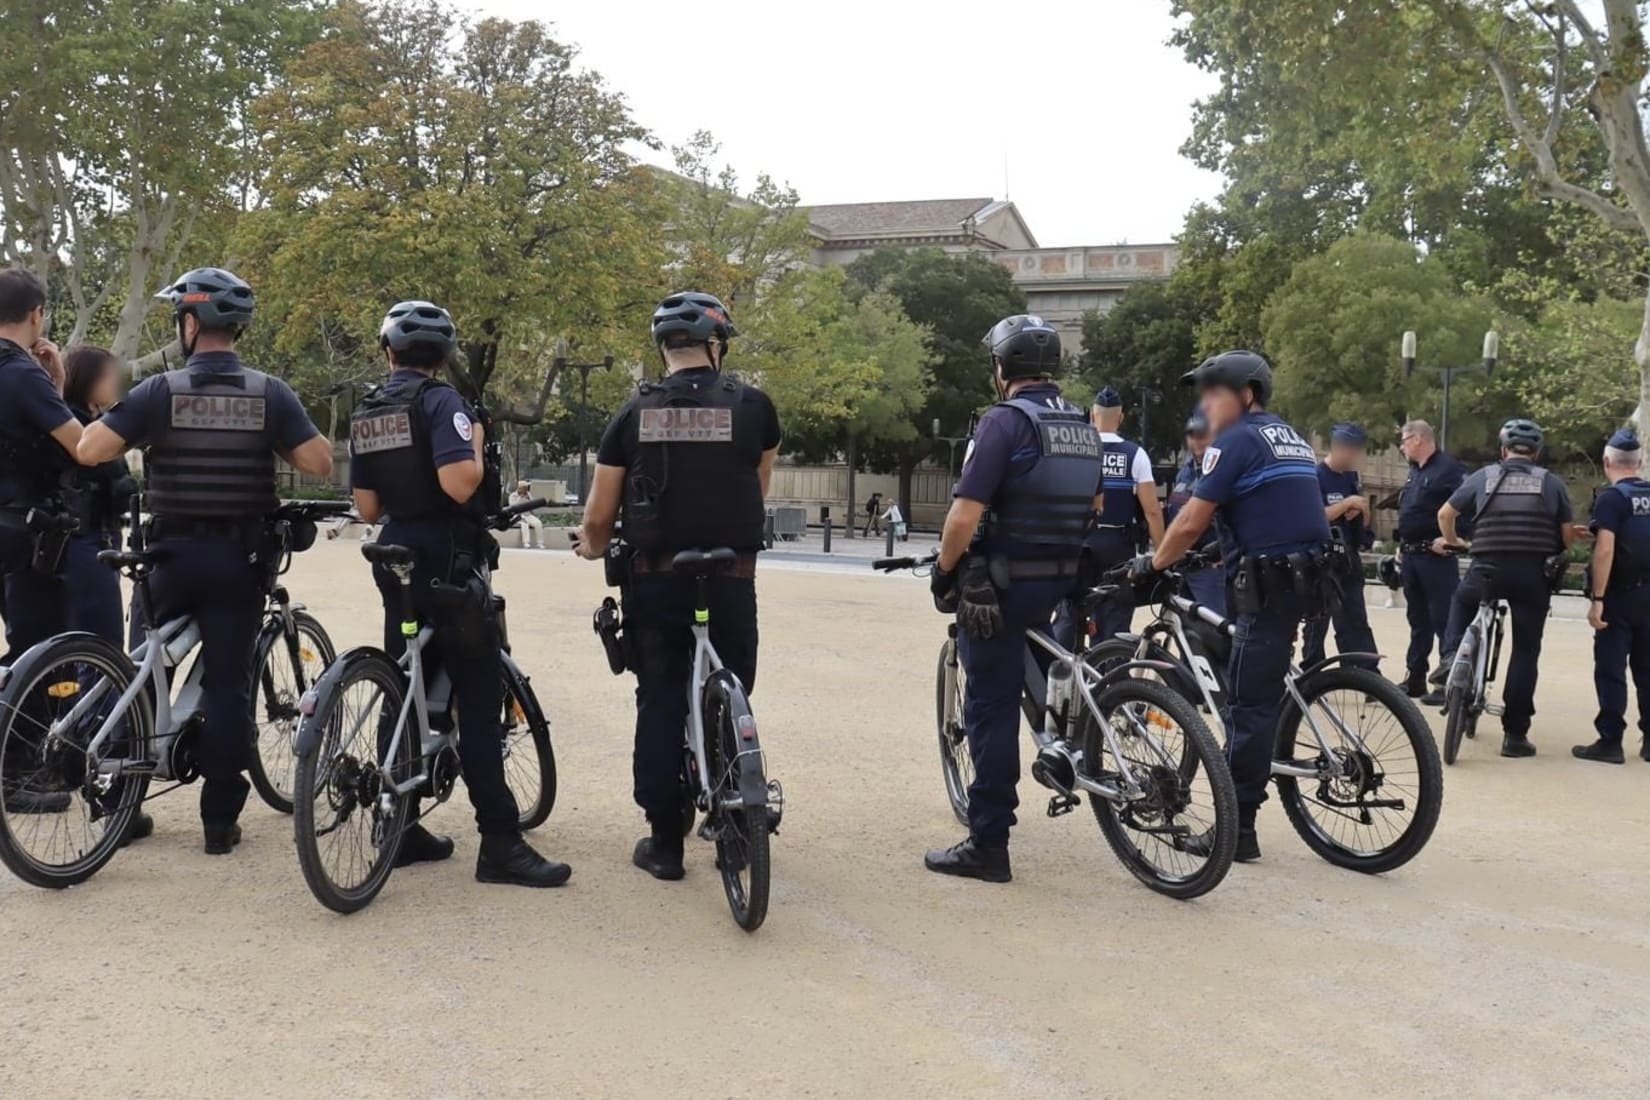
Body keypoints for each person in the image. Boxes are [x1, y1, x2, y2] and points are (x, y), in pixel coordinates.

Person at [79, 267, 334, 855]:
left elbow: (92, 449)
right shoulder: (269, 392)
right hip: (237, 559)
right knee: (228, 685)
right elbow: (321, 462)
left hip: (166, 555)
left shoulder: (159, 392)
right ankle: (219, 821)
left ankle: (122, 802)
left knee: (142, 672)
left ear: (189, 325)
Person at [349, 300, 570, 887]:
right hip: (446, 557)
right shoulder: (444, 404)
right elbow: (459, 482)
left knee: (401, 680)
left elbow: (366, 507)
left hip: (392, 551)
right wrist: (472, 441)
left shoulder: (369, 410)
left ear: (388, 352)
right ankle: (500, 841)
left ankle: (397, 825)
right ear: (443, 357)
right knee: (477, 697)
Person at [573, 291, 781, 882]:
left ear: (664, 348)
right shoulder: (755, 406)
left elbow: (597, 514)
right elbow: (758, 483)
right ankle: (738, 809)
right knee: (733, 685)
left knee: (661, 696)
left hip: (658, 579)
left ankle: (666, 841)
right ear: (716, 347)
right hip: (731, 575)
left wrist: (592, 544)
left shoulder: (632, 413)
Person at [922, 314, 1102, 883]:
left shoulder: (1003, 423)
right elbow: (1094, 506)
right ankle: (1059, 746)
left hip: (1004, 583)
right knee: (1043, 667)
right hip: (1062, 577)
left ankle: (988, 842)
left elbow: (963, 515)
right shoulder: (1081, 424)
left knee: (990, 707)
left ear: (1003, 368)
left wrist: (945, 571)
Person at [1135, 350, 1333, 863]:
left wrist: (1153, 566)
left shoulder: (1234, 442)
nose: (1206, 404)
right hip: (1307, 577)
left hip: (1270, 587)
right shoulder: (1286, 435)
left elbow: (1189, 521)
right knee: (1260, 686)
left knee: (1248, 709)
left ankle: (1238, 829)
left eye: (1214, 392)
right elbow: (1265, 511)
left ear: (1245, 394)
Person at [1433, 418, 1574, 757]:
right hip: (1532, 575)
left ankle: (1452, 656)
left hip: (1487, 568)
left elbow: (1444, 514)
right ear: (1537, 453)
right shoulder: (1552, 484)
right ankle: (1515, 735)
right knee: (1526, 650)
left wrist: (1456, 543)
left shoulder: (1483, 477)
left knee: (1462, 601)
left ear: (1502, 450)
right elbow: (1567, 537)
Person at [0, 268, 86, 814]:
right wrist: (58, 392)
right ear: (37, 315)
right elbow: (82, 446)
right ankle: (19, 773)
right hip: (18, 529)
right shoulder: (20, 375)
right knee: (39, 649)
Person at [1054, 385, 1165, 649]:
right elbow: (1151, 510)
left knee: (1068, 612)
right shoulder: (1135, 454)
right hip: (1116, 545)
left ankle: (1059, 676)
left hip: (1078, 540)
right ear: (1121, 418)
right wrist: (1162, 554)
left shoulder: (1076, 449)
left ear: (1093, 416)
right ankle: (1110, 682)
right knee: (1113, 617)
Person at [1577, 430, 1650, 764]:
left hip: (1620, 596)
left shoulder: (1612, 499)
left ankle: (1610, 741)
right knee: (1647, 670)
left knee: (1611, 668)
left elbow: (1605, 549)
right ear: (1640, 462)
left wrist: (1598, 598)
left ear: (1607, 462)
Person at [1396, 420, 1467, 697]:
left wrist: (1454, 537)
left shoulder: (1449, 470)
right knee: (1418, 620)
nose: (1401, 447)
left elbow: (1468, 507)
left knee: (1444, 619)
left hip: (1436, 557)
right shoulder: (1415, 473)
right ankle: (1415, 677)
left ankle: (1445, 683)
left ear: (1417, 439)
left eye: (1403, 441)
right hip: (1412, 556)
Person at [1301, 423, 1378, 669]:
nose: (1355, 456)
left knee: (1355, 618)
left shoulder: (1352, 478)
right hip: (1322, 558)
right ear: (1338, 447)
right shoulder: (1315, 476)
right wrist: (1347, 504)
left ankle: (1365, 672)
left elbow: (1362, 519)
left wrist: (1361, 512)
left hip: (1348, 557)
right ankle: (1312, 670)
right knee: (1318, 620)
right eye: (1352, 451)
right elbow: (1313, 515)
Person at [1166, 411, 1226, 613]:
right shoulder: (1185, 472)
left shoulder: (1224, 470)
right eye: (1192, 435)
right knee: (1190, 633)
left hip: (1211, 570)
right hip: (1183, 566)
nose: (1196, 441)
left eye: (1202, 435)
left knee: (1215, 633)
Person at [509, 480, 543, 548]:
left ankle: (540, 543)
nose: (526, 489)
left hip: (527, 514)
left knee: (538, 523)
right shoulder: (513, 495)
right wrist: (520, 497)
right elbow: (513, 507)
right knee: (524, 524)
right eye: (525, 488)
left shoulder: (528, 494)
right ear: (520, 488)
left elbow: (532, 505)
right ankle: (526, 542)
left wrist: (528, 498)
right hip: (518, 515)